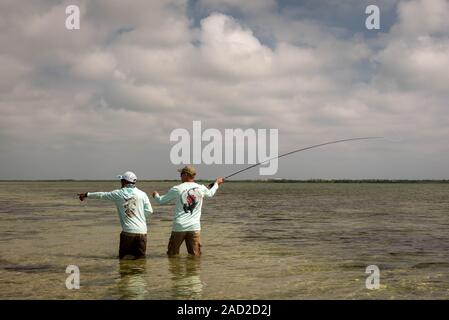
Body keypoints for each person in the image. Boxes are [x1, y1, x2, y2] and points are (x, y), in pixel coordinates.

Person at [152, 165, 224, 257]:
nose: (180, 176)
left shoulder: (177, 188)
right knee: (195, 256)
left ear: (185, 174)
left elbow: (161, 201)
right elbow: (210, 193)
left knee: (172, 255)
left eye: (181, 174)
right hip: (194, 228)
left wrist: (155, 195)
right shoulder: (201, 188)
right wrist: (217, 183)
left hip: (179, 227)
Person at [78, 171, 152, 259]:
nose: (120, 182)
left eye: (121, 180)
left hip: (128, 233)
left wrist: (86, 194)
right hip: (142, 232)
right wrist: (140, 219)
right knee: (140, 261)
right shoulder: (142, 194)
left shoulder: (118, 193)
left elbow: (102, 195)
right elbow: (149, 211)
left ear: (124, 182)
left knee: (124, 261)